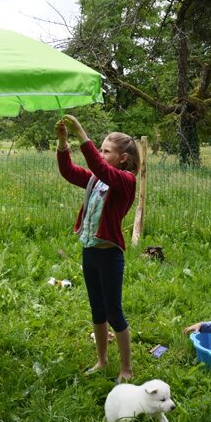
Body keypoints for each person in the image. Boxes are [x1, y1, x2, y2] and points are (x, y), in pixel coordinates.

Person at [54, 115, 140, 383]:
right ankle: (102, 361)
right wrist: (62, 143)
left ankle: (126, 368)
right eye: (100, 150)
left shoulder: (125, 180)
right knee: (97, 309)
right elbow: (69, 171)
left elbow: (102, 170)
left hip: (109, 255)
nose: (101, 155)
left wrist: (81, 132)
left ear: (123, 158)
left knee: (114, 312)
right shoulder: (97, 179)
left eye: (106, 151)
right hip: (90, 252)